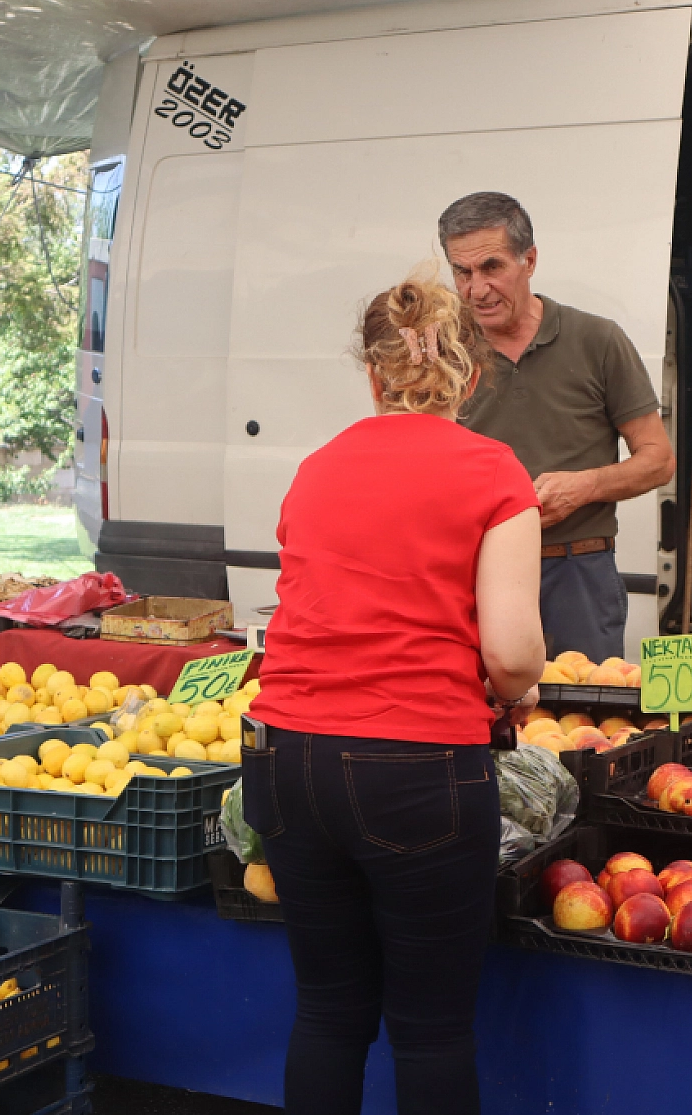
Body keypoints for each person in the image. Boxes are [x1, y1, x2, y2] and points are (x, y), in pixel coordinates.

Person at [243, 273, 546, 1115]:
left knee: (328, 1010)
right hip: (417, 769)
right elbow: (513, 653)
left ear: (374, 376)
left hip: (284, 760)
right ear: (470, 377)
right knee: (432, 1030)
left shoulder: (315, 469)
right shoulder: (494, 471)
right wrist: (513, 685)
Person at [440, 191, 676, 661]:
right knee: (477, 703)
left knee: (585, 702)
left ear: (529, 260)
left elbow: (658, 460)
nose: (477, 290)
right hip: (471, 569)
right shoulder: (445, 352)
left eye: (491, 267)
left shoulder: (597, 340)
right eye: (462, 272)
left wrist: (585, 487)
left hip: (578, 570)